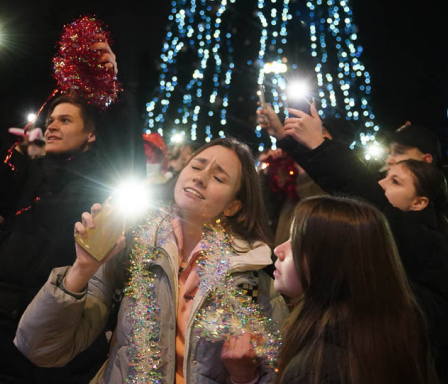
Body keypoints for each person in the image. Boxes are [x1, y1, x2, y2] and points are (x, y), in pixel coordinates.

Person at [0, 43, 144, 384]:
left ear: (92, 133)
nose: (51, 126)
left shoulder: (103, 182)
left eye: (65, 120)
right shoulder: (27, 177)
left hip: (65, 350)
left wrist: (113, 92)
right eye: (50, 120)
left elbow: (126, 156)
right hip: (4, 345)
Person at [14, 137, 288, 384]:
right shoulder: (135, 249)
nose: (201, 178)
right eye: (196, 166)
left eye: (218, 178)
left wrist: (244, 377)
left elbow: (278, 372)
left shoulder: (252, 275)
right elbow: (39, 348)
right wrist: (83, 268)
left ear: (233, 206)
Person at [256, 102, 448, 372]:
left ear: (420, 202)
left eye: (395, 181)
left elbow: (363, 192)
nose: (382, 183)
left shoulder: (427, 240)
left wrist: (319, 144)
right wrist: (285, 139)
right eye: (385, 176)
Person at [273, 196, 434, 384]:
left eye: (297, 244)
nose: (278, 249)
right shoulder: (398, 325)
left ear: (330, 265)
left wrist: (244, 378)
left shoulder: (315, 369)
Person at [384, 123, 448, 384]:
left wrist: (435, 341)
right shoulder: (400, 216)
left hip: (443, 358)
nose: (389, 158)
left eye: (399, 151)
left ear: (425, 159)